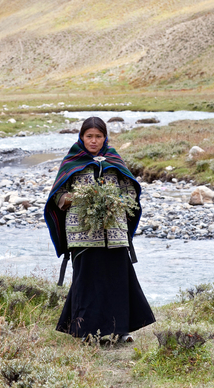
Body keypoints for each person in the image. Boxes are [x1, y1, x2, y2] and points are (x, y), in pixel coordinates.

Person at [44, 116, 155, 341]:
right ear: (81, 137)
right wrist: (73, 199)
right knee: (87, 283)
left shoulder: (114, 160)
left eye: (98, 136)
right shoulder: (72, 161)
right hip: (82, 234)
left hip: (113, 234)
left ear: (105, 137)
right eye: (89, 136)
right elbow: (57, 195)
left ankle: (120, 331)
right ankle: (85, 332)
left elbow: (131, 189)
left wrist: (118, 201)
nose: (94, 141)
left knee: (118, 282)